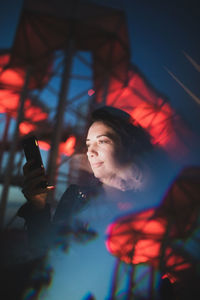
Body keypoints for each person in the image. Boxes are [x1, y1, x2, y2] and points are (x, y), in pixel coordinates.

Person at [13, 106, 199, 299]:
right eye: (88, 144)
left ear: (129, 146)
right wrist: (38, 204)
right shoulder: (75, 196)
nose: (90, 152)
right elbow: (47, 251)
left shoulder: (160, 201)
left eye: (102, 141)